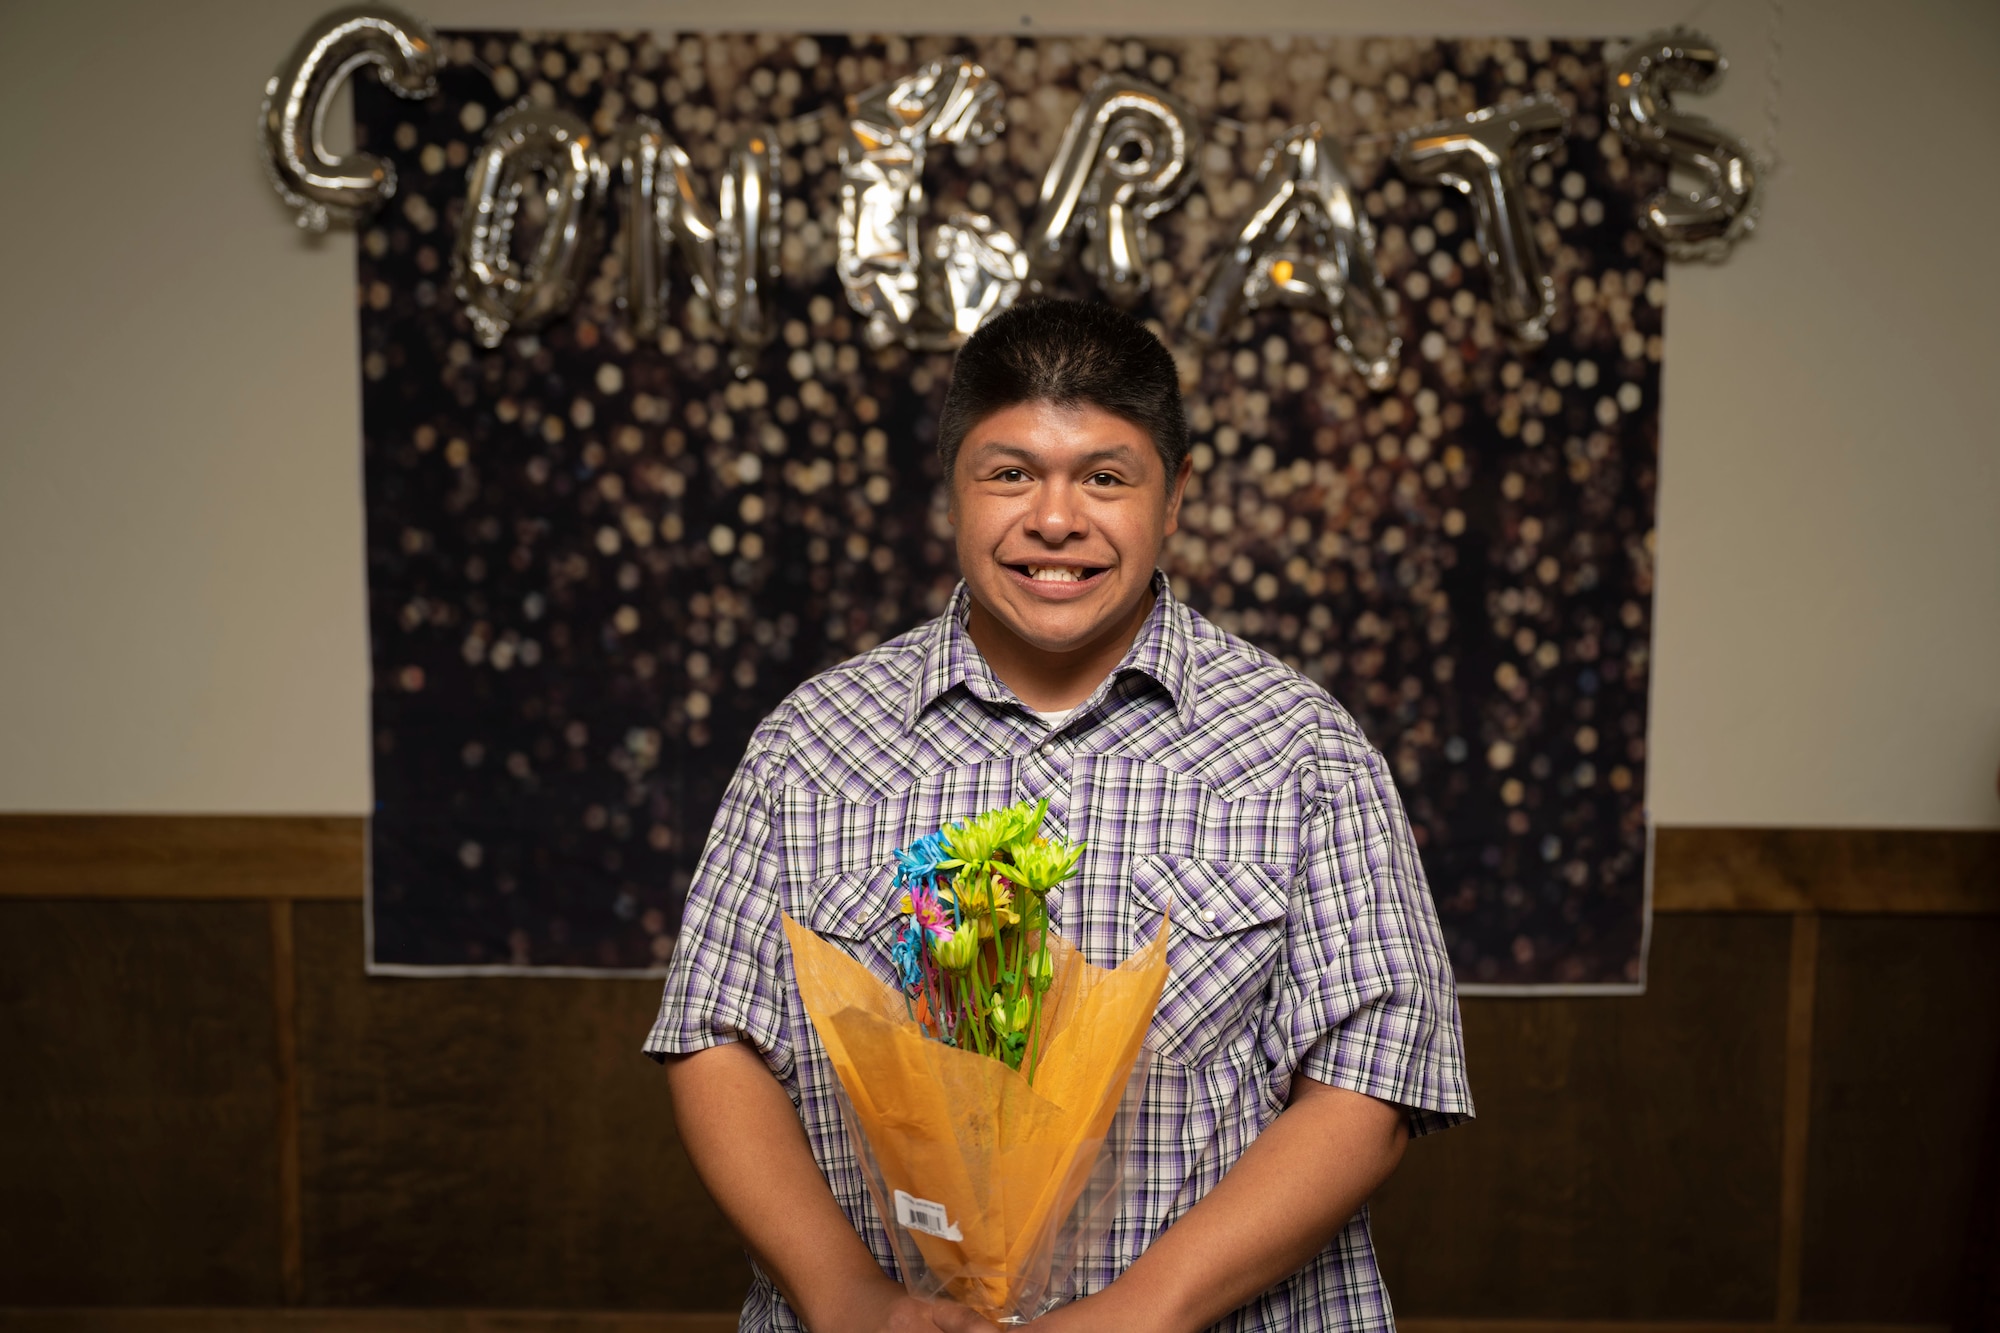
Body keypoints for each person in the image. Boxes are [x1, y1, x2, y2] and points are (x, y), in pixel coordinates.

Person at [647, 299, 1472, 1332]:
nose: (1053, 519)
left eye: (1104, 476)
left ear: (1172, 497)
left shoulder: (1301, 748)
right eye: (1009, 473)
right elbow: (715, 1040)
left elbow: (1375, 1077)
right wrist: (851, 1300)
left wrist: (1139, 1314)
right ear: (951, 490)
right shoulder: (807, 744)